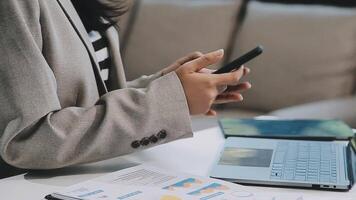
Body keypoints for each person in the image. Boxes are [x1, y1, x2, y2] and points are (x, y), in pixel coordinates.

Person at [0, 0, 251, 176]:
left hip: (86, 176)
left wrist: (165, 84)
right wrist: (172, 99)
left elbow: (86, 99)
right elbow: (29, 140)